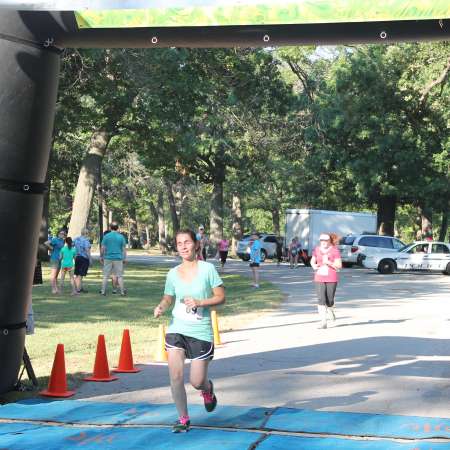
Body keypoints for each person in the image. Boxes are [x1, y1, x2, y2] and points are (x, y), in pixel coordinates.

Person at [154, 229, 225, 433]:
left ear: (196, 244)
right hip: (177, 330)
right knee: (175, 376)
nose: (183, 246)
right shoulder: (173, 273)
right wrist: (161, 306)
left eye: (187, 242)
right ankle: (183, 418)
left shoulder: (208, 269)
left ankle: (207, 389)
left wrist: (200, 302)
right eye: (179, 243)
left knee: (196, 381)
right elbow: (169, 297)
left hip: (200, 332)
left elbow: (221, 297)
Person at [310, 233, 342, 329]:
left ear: (329, 241)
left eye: (326, 240)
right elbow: (312, 260)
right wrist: (314, 266)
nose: (323, 242)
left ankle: (331, 309)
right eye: (322, 240)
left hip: (331, 277)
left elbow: (339, 265)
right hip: (319, 276)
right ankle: (323, 322)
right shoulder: (316, 249)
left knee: (329, 300)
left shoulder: (334, 251)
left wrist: (328, 262)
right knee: (321, 299)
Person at [100, 222, 127, 296]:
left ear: (110, 227)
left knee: (105, 276)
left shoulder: (106, 236)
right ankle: (122, 292)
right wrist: (124, 258)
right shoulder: (121, 237)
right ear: (117, 227)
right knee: (120, 276)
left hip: (108, 257)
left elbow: (103, 248)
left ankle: (103, 291)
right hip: (118, 258)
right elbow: (124, 249)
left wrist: (101, 256)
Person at [44, 230, 66, 294]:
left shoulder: (62, 241)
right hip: (54, 259)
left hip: (59, 260)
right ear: (58, 234)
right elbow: (46, 243)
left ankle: (56, 289)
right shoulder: (55, 239)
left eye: (63, 234)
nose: (62, 235)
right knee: (53, 275)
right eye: (61, 233)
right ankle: (53, 289)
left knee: (56, 276)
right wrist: (51, 248)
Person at [74, 228, 92, 293]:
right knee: (80, 275)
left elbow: (71, 245)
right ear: (86, 233)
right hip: (84, 258)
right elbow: (87, 250)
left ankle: (79, 288)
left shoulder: (76, 239)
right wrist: (90, 259)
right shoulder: (86, 241)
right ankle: (78, 289)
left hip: (77, 258)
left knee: (77, 274)